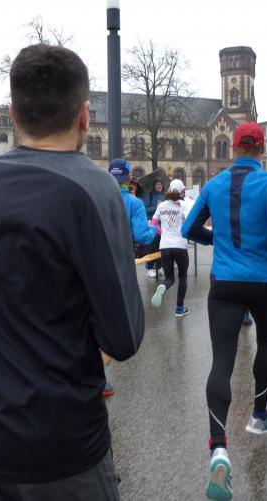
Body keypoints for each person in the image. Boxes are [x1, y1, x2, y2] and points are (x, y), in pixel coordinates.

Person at [0, 44, 143, 500]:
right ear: (84, 116)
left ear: (13, 113)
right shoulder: (95, 187)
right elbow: (123, 337)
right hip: (54, 447)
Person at [183, 121, 267, 501]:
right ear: (261, 149)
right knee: (265, 341)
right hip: (262, 279)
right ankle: (258, 416)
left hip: (225, 283)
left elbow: (189, 227)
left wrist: (217, 239)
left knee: (222, 361)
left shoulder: (213, 185)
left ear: (233, 148)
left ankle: (218, 447)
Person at [104, 159, 156, 396]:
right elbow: (142, 236)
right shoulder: (134, 203)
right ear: (128, 178)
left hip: (91, 261)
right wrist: (155, 229)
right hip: (120, 264)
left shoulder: (94, 196)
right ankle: (101, 378)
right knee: (114, 320)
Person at [150, 179, 190, 316]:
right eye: (183, 190)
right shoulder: (184, 205)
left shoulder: (161, 205)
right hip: (180, 246)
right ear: (180, 191)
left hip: (165, 246)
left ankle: (164, 286)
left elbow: (153, 224)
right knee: (183, 277)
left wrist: (163, 233)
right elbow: (189, 223)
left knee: (169, 279)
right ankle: (179, 308)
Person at [144, 179, 166, 278]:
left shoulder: (165, 196)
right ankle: (150, 268)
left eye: (160, 184)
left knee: (161, 246)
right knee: (151, 247)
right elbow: (145, 209)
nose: (159, 186)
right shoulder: (149, 196)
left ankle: (159, 266)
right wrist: (156, 207)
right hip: (152, 225)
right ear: (154, 185)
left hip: (163, 225)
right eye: (157, 184)